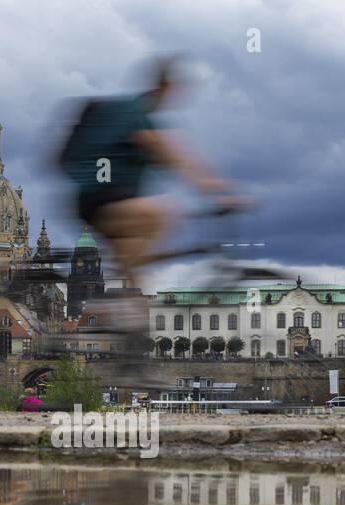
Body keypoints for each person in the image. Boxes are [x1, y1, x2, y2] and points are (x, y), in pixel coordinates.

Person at [58, 57, 246, 385]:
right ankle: (126, 314)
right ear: (165, 86)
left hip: (101, 201)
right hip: (98, 199)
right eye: (177, 90)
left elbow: (173, 153)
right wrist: (218, 189)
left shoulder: (137, 114)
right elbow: (173, 155)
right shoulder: (134, 113)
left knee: (136, 274)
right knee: (164, 213)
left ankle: (130, 343)